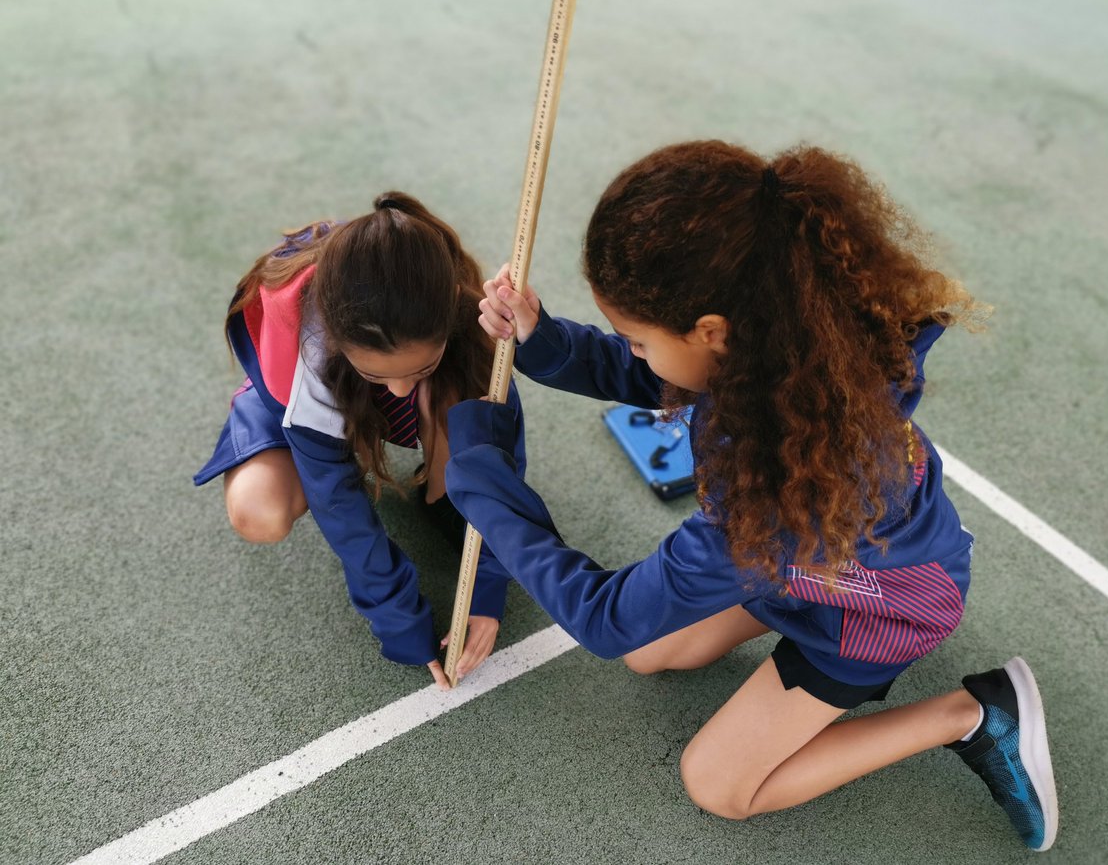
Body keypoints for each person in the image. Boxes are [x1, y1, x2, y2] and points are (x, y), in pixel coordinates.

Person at [449, 141, 1058, 850]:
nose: (634, 351)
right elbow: (666, 373)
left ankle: (972, 714)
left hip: (881, 609)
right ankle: (795, 615)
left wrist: (483, 484)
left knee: (719, 784)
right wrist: (542, 339)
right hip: (806, 565)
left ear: (711, 332)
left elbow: (605, 619)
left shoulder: (769, 491)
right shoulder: (786, 342)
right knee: (653, 653)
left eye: (636, 339)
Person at [194, 192, 524, 688]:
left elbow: (502, 461)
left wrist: (488, 585)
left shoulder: (464, 320)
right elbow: (342, 510)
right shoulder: (310, 354)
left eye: (421, 366)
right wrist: (402, 625)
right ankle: (294, 402)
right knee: (259, 515)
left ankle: (440, 496)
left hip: (387, 378)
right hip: (297, 395)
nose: (399, 389)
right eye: (380, 374)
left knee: (455, 401)